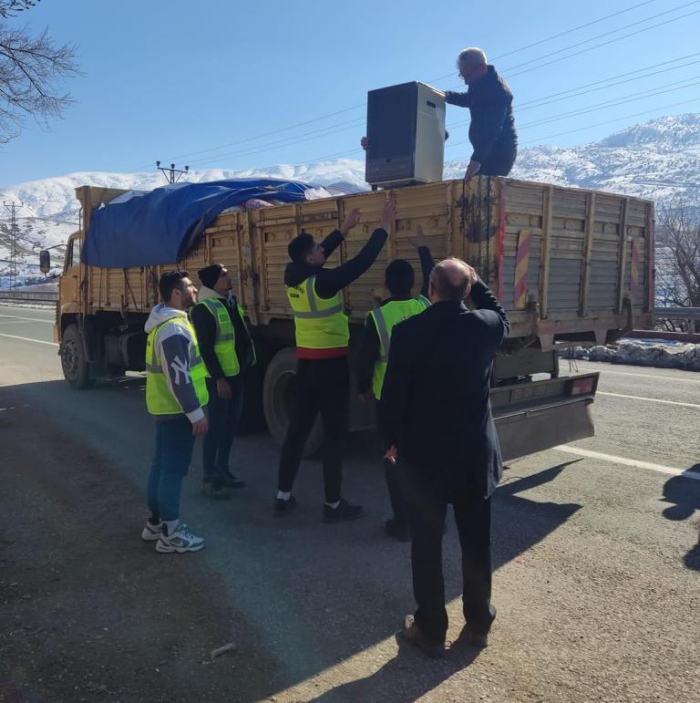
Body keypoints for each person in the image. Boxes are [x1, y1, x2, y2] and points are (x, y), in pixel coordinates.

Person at [379, 258, 510, 658]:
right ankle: (479, 624)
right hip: (473, 456)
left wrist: (390, 440)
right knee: (476, 543)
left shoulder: (407, 332)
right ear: (466, 291)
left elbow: (394, 393)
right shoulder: (486, 326)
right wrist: (476, 282)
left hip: (425, 459)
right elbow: (498, 311)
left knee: (426, 544)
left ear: (430, 290)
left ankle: (431, 630)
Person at [275, 200, 394, 522]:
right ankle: (332, 504)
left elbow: (320, 254)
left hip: (305, 366)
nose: (321, 249)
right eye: (316, 248)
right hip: (331, 368)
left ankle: (282, 496)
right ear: (309, 258)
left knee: (298, 431)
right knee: (334, 435)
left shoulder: (294, 278)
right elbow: (361, 263)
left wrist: (343, 230)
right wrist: (383, 226)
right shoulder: (322, 284)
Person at [356, 225, 434, 542]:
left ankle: (402, 524)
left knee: (393, 458)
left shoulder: (377, 318)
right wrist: (423, 248)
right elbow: (431, 279)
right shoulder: (423, 307)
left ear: (386, 285)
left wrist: (362, 389)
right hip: (422, 399)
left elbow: (365, 359)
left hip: (389, 403)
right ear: (412, 284)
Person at [142, 271, 209, 554]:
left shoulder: (165, 323)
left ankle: (155, 523)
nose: (195, 289)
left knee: (161, 465)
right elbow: (178, 378)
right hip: (177, 411)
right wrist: (195, 413)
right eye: (190, 286)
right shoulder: (173, 330)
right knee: (173, 469)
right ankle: (170, 532)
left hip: (165, 408)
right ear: (176, 293)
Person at [191, 263, 256, 499]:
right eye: (224, 276)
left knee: (230, 425)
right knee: (216, 427)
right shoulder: (204, 309)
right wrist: (219, 379)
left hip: (235, 373)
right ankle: (209, 477)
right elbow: (206, 349)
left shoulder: (228, 302)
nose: (230, 279)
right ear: (213, 282)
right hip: (220, 379)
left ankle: (223, 470)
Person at [444, 47, 517, 181]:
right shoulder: (478, 82)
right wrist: (448, 96)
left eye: (468, 76)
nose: (466, 81)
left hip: (499, 153)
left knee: (482, 188)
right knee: (474, 186)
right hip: (485, 150)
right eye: (462, 76)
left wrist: (476, 160)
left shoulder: (498, 91)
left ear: (482, 68)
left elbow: (492, 131)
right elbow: (470, 99)